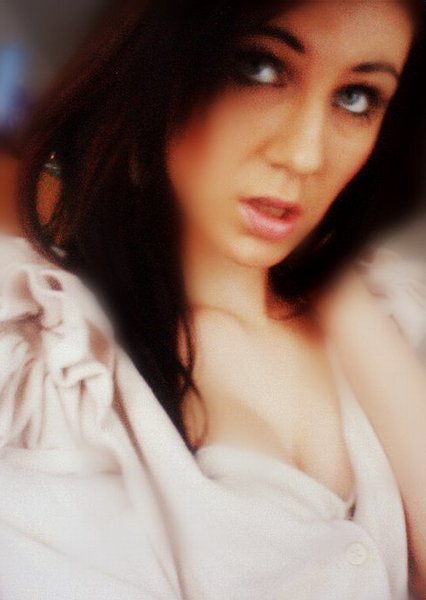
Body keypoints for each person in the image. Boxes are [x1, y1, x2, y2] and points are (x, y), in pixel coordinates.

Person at [0, 0, 426, 598]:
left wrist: (335, 282)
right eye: (259, 67)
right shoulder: (50, 364)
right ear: (161, 65)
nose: (305, 156)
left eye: (357, 97)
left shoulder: (393, 316)